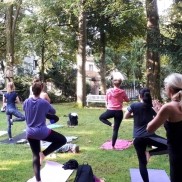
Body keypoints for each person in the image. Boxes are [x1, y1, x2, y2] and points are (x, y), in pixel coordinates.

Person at [23, 81, 66, 182]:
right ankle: (43, 154)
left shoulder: (26, 102)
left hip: (29, 132)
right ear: (42, 90)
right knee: (62, 140)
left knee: (35, 155)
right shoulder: (43, 103)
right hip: (41, 132)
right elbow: (54, 112)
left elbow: (26, 109)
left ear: (32, 90)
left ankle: (38, 180)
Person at [124, 87, 168, 182]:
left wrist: (134, 115)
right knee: (170, 146)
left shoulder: (134, 105)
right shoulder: (151, 107)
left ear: (140, 96)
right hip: (150, 137)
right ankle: (150, 153)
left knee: (142, 163)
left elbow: (126, 116)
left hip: (137, 139)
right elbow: (158, 118)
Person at [147, 73, 182, 182]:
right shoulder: (171, 108)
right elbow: (176, 127)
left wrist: (159, 114)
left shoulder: (169, 107)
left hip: (177, 152)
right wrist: (163, 116)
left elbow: (150, 129)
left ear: (170, 89)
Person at [99, 72, 130, 149]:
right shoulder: (122, 92)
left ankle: (111, 124)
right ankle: (113, 146)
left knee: (101, 118)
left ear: (113, 84)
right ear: (120, 84)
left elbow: (106, 99)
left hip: (110, 110)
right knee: (116, 130)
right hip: (119, 112)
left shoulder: (109, 91)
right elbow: (127, 100)